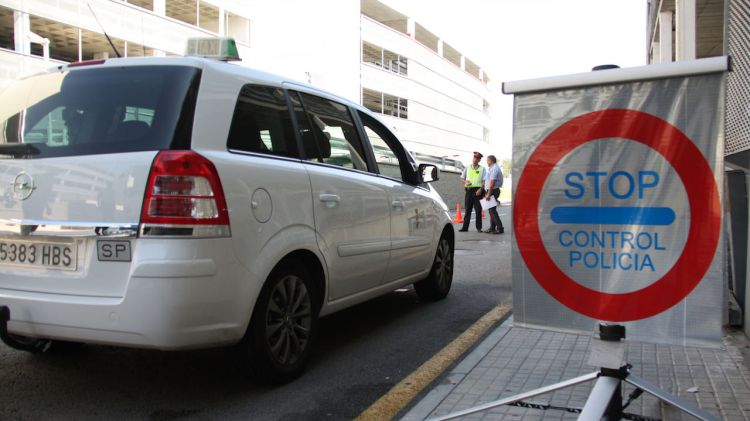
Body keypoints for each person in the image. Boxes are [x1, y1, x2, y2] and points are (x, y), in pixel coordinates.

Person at [458, 152, 486, 232]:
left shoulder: (482, 169)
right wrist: (465, 182)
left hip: (478, 191)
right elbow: (462, 178)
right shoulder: (467, 168)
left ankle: (479, 228)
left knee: (478, 210)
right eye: (474, 158)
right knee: (468, 210)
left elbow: (484, 181)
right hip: (469, 191)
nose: (475, 160)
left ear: (479, 160)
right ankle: (465, 227)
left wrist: (481, 189)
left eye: (477, 159)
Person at [482, 155, 504, 234]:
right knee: (492, 210)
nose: (487, 162)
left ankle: (500, 228)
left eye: (487, 161)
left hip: (493, 191)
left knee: (492, 211)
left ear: (491, 161)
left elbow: (492, 183)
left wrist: (488, 194)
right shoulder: (492, 168)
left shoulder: (494, 168)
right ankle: (492, 228)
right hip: (492, 190)